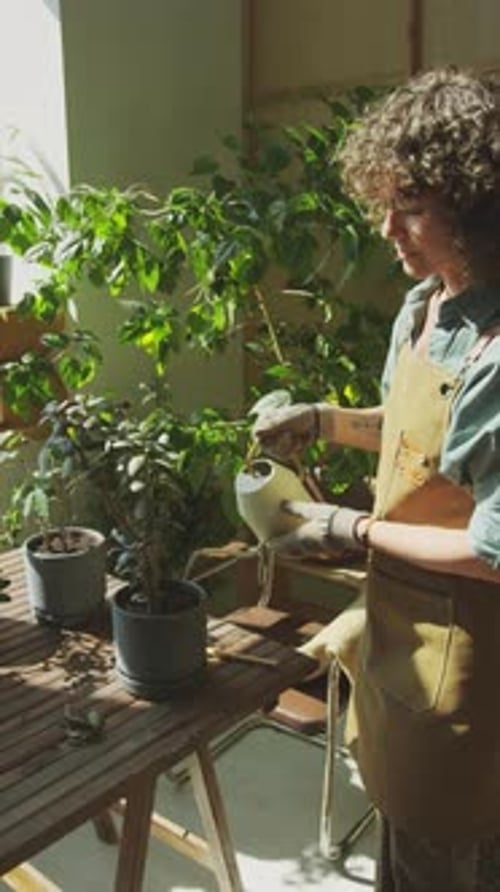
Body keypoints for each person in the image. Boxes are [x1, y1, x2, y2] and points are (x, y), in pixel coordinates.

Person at [253, 67, 500, 891]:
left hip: (469, 651)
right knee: (404, 831)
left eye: (414, 208)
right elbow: (409, 438)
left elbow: (493, 547)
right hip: (398, 630)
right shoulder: (425, 305)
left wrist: (346, 529)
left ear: (477, 209)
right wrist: (325, 419)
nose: (386, 228)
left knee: (445, 846)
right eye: (382, 201)